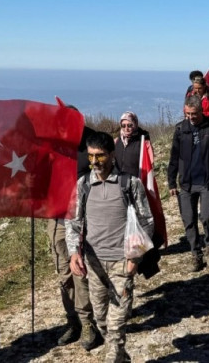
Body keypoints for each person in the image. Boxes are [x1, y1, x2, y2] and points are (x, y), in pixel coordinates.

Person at [66, 132, 154, 363]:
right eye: (91, 156)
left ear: (112, 155)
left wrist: (135, 257)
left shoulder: (130, 184)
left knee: (116, 328)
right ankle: (121, 358)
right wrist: (74, 252)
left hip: (121, 265)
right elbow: (73, 222)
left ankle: (114, 357)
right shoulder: (83, 185)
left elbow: (146, 222)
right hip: (94, 266)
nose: (95, 162)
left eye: (100, 156)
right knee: (102, 322)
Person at [167, 95, 209, 272]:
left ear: (201, 111)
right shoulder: (181, 129)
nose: (190, 117)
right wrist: (171, 182)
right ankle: (195, 254)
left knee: (206, 216)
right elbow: (174, 157)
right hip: (186, 184)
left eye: (194, 113)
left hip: (208, 182)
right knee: (188, 220)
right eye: (187, 113)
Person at [53, 125, 98, 349]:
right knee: (63, 273)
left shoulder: (88, 149)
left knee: (79, 272)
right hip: (55, 218)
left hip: (80, 218)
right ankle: (73, 322)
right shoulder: (52, 149)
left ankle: (88, 322)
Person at [113, 111, 151, 177]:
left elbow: (149, 164)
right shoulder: (116, 142)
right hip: (118, 182)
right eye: (123, 125)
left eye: (130, 125)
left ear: (135, 124)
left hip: (136, 182)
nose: (126, 128)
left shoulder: (144, 143)